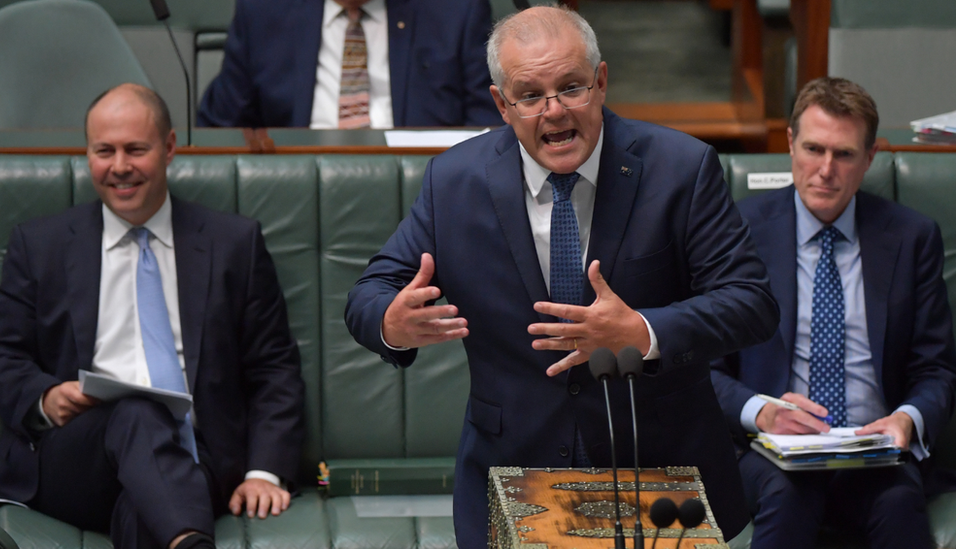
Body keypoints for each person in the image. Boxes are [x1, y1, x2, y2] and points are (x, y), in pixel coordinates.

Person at [344, 6, 779, 547]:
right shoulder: (454, 182)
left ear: (600, 82)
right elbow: (367, 294)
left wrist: (642, 331)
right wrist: (392, 321)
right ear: (502, 105)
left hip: (658, 469)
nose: (553, 112)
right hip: (513, 475)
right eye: (530, 95)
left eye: (571, 87)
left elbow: (751, 303)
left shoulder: (681, 169)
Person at [0, 84, 305, 549]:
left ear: (169, 147)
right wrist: (46, 396)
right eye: (103, 151)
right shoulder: (41, 245)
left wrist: (264, 472)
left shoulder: (233, 244)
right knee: (137, 413)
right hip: (75, 453)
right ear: (87, 153)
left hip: (197, 456)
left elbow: (274, 368)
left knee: (142, 507)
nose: (119, 167)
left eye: (135, 149)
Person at [710, 77, 956, 549]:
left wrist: (906, 419)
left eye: (843, 154)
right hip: (772, 454)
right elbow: (704, 366)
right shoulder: (740, 231)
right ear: (789, 144)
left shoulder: (911, 238)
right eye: (813, 149)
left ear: (869, 159)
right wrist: (762, 412)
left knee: (898, 501)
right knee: (789, 494)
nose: (825, 170)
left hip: (877, 454)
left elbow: (937, 368)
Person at [197, 0, 503, 129]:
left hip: (425, 192)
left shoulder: (454, 11)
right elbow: (220, 128)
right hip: (296, 191)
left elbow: (488, 127)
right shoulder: (264, 12)